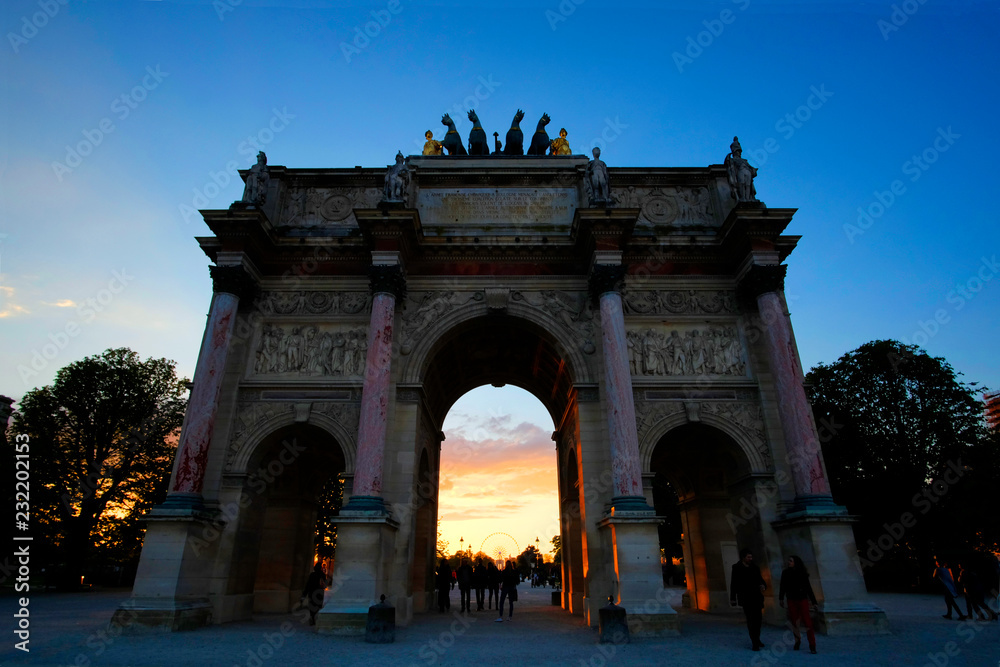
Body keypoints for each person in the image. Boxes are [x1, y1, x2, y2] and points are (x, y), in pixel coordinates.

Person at [779, 555, 819, 654]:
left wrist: (814, 602)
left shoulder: (802, 574)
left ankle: (812, 644)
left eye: (791, 561)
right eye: (789, 560)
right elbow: (782, 586)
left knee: (807, 622)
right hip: (791, 599)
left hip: (802, 599)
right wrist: (781, 598)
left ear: (796, 562)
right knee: (794, 622)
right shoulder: (785, 573)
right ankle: (797, 640)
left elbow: (808, 588)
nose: (789, 562)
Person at [730, 548, 767, 651]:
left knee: (758, 620)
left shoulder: (755, 567)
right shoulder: (737, 567)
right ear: (743, 557)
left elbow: (761, 580)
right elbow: (734, 583)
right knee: (751, 620)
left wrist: (763, 585)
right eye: (748, 557)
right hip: (746, 598)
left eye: (751, 557)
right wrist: (733, 598)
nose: (750, 559)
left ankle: (757, 638)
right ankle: (754, 642)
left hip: (756, 597)